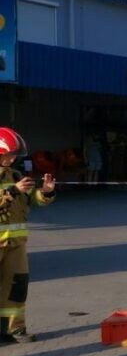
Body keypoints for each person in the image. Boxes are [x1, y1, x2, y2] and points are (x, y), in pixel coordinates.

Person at [0, 127, 56, 343]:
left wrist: (46, 191)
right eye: (9, 154)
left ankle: (14, 330)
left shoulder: (16, 176)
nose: (12, 158)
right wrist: (13, 191)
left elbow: (36, 199)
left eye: (14, 155)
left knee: (17, 286)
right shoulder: (14, 182)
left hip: (16, 244)